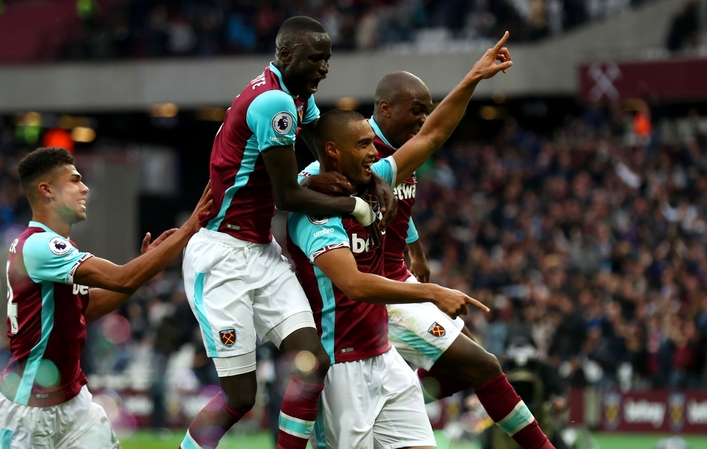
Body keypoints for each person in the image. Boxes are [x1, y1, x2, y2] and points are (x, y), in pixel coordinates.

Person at [302, 33, 556, 449]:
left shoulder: (390, 163)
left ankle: (406, 392)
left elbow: (410, 179)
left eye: (426, 113)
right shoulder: (350, 164)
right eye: (415, 112)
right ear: (383, 110)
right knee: (480, 364)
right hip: (363, 301)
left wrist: (415, 246)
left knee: (478, 365)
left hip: (394, 285)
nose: (421, 121)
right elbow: (307, 197)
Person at [179, 16, 395, 449]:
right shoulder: (273, 102)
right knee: (240, 397)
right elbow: (287, 196)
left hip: (262, 251)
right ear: (285, 55)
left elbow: (325, 147)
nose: (325, 68)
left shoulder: (297, 98)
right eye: (316, 58)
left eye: (328, 58)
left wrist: (368, 175)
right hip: (222, 257)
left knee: (312, 363)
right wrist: (354, 205)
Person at [287, 105, 494, 448]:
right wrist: (430, 292)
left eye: (372, 143)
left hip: (384, 358)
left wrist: (474, 76)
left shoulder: (373, 181)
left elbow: (430, 137)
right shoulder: (314, 213)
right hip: (341, 365)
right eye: (363, 145)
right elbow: (353, 284)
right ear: (333, 151)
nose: (373, 151)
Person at [0, 147, 212, 448]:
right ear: (47, 190)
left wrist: (142, 271)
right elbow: (121, 277)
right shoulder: (40, 246)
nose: (85, 188)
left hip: (73, 403)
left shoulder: (54, 247)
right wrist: (190, 228)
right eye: (75, 180)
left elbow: (86, 308)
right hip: (26, 411)